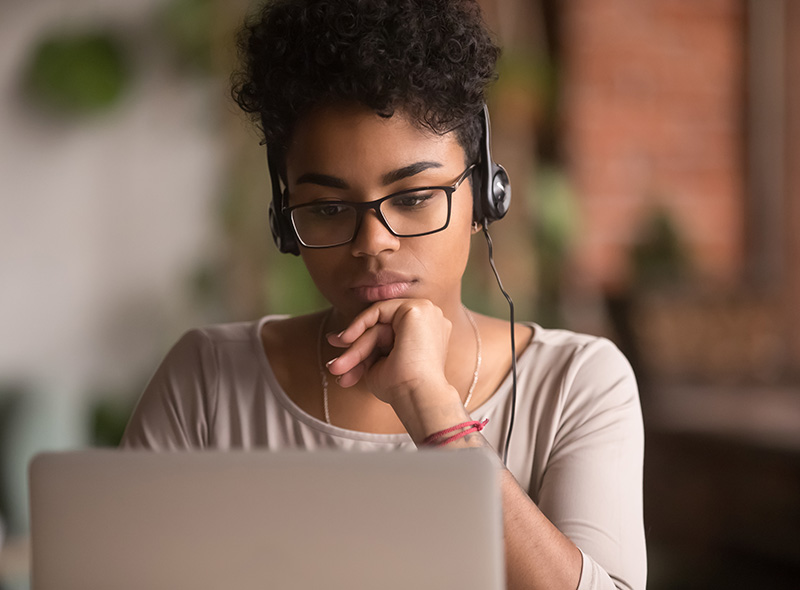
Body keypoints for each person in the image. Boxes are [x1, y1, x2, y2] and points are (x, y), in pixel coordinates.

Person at [121, 1, 646, 588]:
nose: (374, 243)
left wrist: (432, 407)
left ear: (483, 196)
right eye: (326, 208)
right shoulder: (208, 383)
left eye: (414, 197)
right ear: (284, 220)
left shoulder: (577, 383)